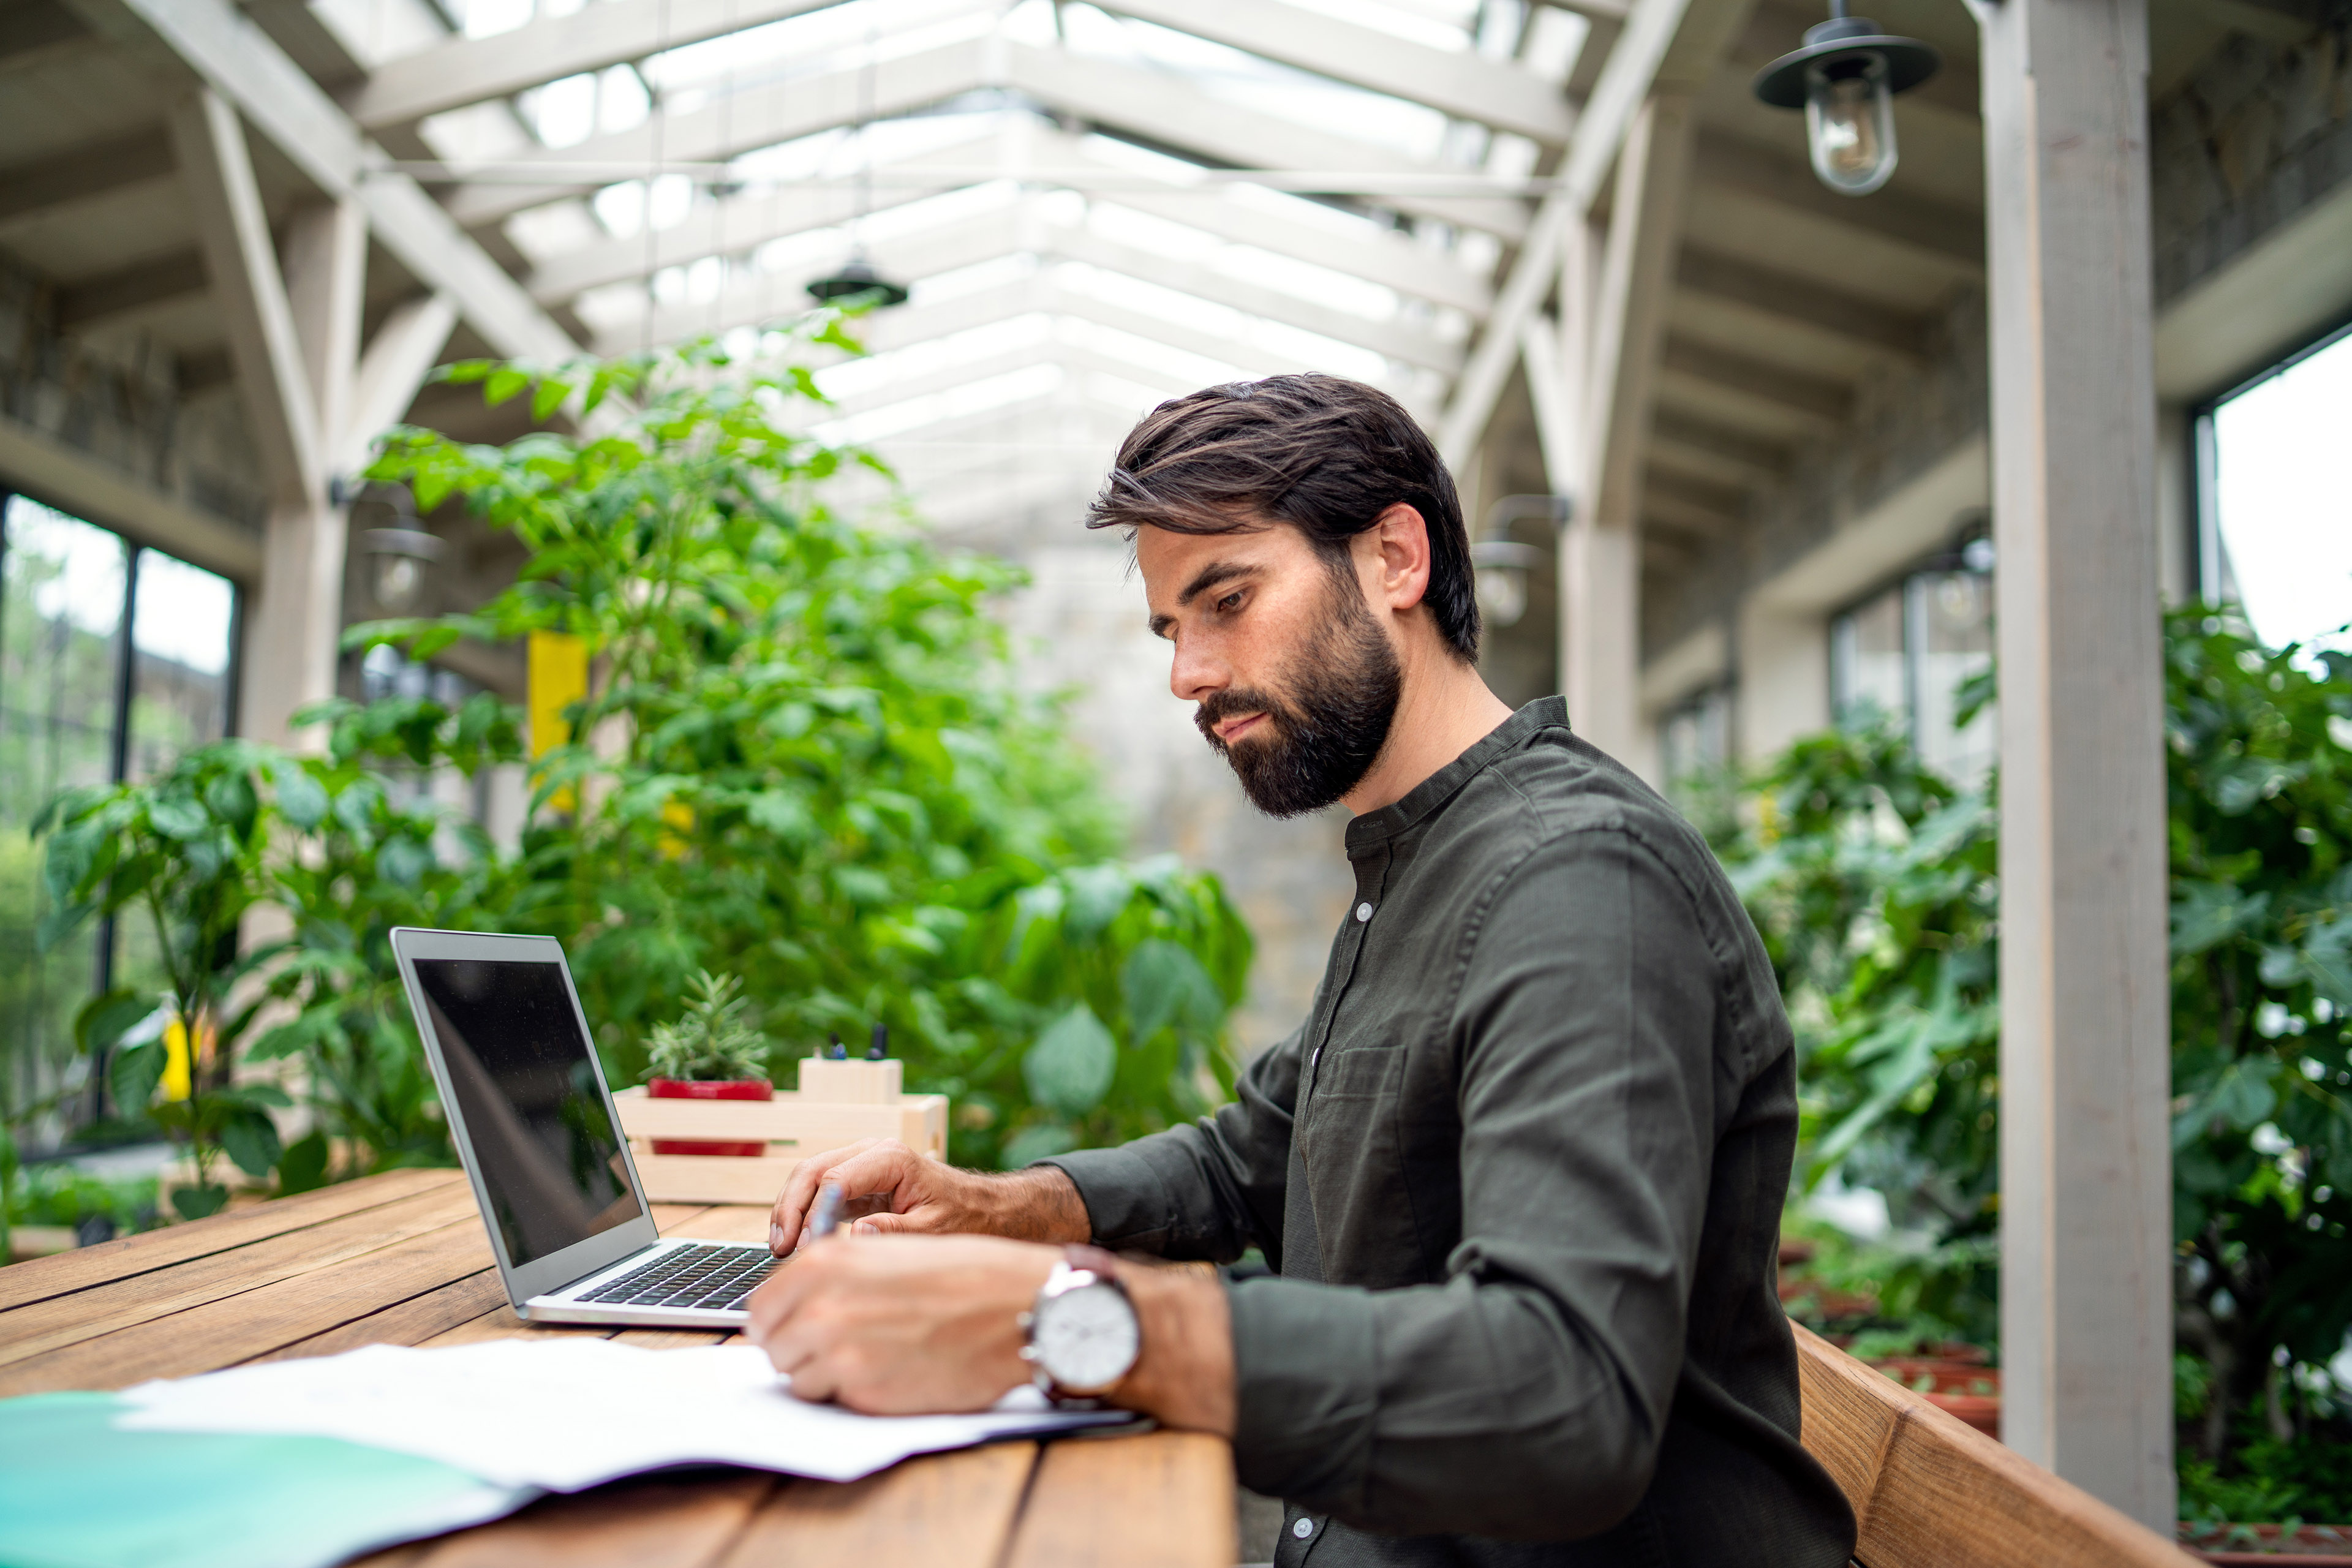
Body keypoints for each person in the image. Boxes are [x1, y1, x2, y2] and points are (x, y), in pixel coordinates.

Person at [746, 375, 1858, 1567]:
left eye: (1227, 598)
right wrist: (988, 1205)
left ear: (1394, 557)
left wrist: (1059, 1324)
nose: (1189, 673)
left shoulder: (1579, 884)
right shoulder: (1427, 862)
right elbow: (1249, 1159)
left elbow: (1564, 1392)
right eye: (1175, 627)